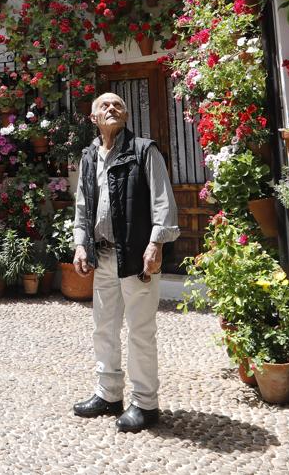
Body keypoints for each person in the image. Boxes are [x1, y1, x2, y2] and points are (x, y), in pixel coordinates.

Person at [70, 92, 179, 433]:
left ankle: (146, 403)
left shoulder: (144, 150)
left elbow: (163, 201)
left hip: (135, 255)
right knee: (104, 327)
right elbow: (83, 206)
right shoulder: (89, 156)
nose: (112, 108)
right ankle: (108, 394)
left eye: (118, 105)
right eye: (105, 105)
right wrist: (80, 243)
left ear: (126, 115)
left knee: (141, 331)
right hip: (102, 256)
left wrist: (156, 243)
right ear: (93, 118)